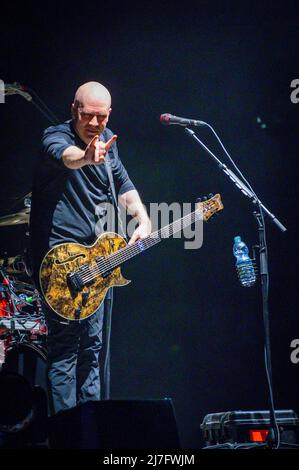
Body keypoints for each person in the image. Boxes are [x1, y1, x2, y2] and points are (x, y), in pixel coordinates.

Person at [29, 81, 151, 415]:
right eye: (88, 116)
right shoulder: (56, 137)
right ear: (74, 110)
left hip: (97, 262)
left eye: (101, 116)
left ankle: (90, 429)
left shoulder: (109, 142)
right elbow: (66, 158)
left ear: (109, 114)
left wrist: (142, 218)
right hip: (60, 264)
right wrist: (84, 156)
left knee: (92, 349)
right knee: (66, 349)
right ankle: (67, 432)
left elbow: (124, 185)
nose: (95, 124)